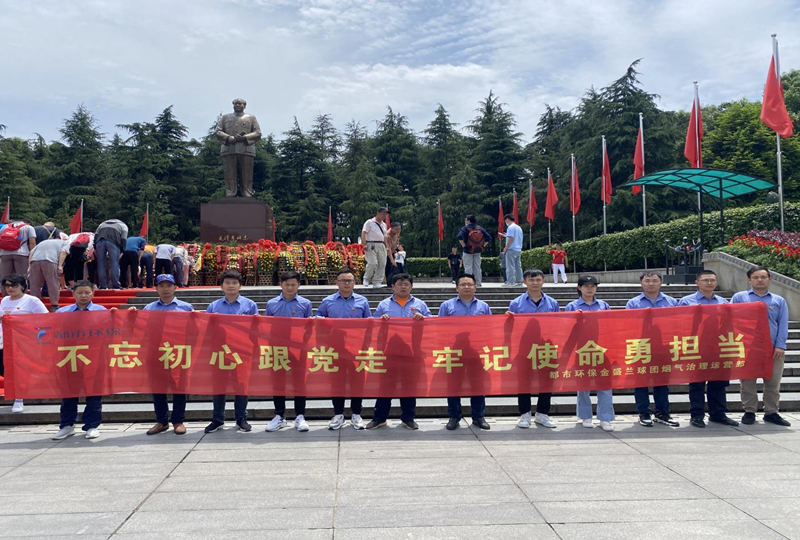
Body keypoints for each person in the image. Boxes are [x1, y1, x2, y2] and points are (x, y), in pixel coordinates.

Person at [367, 273, 431, 429]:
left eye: (406, 284)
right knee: (385, 386)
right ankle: (379, 418)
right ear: (392, 287)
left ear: (411, 287)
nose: (403, 287)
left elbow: (431, 322)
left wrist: (422, 318)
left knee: (409, 385)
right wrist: (381, 319)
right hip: (389, 351)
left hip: (412, 351)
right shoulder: (384, 304)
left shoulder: (420, 304)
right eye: (400, 284)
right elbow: (374, 323)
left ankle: (408, 418)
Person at [133, 274, 195, 435]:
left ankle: (178, 421)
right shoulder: (149, 308)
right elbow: (141, 329)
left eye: (168, 285)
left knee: (179, 388)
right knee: (158, 388)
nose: (165, 289)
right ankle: (162, 421)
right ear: (156, 289)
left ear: (175, 287)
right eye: (161, 286)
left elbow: (194, 330)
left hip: (178, 352)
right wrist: (131, 316)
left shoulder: (186, 308)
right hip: (156, 353)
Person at [678, 270, 739, 428]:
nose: (709, 283)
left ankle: (718, 414)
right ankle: (697, 415)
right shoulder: (686, 301)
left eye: (712, 280)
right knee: (697, 384)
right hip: (696, 348)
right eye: (705, 280)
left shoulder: (724, 303)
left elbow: (730, 324)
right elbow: (680, 325)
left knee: (719, 382)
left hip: (719, 347)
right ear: (697, 282)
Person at [732, 266, 790, 426]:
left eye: (763, 277)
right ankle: (749, 411)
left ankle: (771, 412)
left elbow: (783, 324)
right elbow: (732, 320)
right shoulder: (739, 297)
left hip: (773, 349)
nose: (760, 280)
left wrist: (780, 345)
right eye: (756, 277)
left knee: (773, 382)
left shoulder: (779, 300)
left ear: (770, 279)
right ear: (749, 280)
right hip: (748, 348)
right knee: (747, 382)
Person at [316, 268, 372, 430]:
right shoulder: (328, 301)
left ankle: (356, 414)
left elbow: (369, 323)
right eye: (343, 280)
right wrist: (319, 319)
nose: (346, 283)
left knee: (357, 382)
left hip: (357, 349)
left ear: (354, 283)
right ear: (337, 283)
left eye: (350, 280)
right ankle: (338, 414)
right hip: (335, 348)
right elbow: (318, 318)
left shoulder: (362, 301)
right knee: (336, 382)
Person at [205, 270, 259, 433]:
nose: (231, 286)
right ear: (221, 286)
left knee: (241, 385)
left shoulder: (249, 305)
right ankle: (217, 419)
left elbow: (256, 329)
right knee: (218, 386)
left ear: (240, 286)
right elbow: (205, 329)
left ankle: (241, 418)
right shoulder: (213, 306)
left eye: (234, 283)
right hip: (219, 352)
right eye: (227, 283)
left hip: (241, 352)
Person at [52, 281, 106, 440]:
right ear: (73, 294)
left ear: (93, 293)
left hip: (93, 358)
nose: (83, 296)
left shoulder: (101, 311)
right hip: (70, 357)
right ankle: (67, 425)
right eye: (80, 292)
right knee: (68, 393)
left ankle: (92, 425)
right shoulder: (62, 312)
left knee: (94, 393)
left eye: (87, 292)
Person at [507, 268, 559, 429]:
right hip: (524, 348)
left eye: (538, 280)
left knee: (546, 381)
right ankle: (525, 414)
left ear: (543, 281)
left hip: (546, 347)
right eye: (531, 280)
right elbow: (510, 328)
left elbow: (558, 325)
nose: (535, 283)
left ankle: (542, 414)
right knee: (524, 381)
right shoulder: (516, 303)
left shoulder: (552, 303)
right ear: (524, 282)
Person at [438, 274, 491, 431]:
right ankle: (454, 417)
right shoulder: (447, 306)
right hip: (454, 351)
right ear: (457, 288)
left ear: (475, 287)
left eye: (470, 284)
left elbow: (490, 327)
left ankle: (478, 416)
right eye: (463, 284)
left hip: (476, 352)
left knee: (478, 385)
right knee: (454, 385)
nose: (466, 287)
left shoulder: (483, 307)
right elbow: (440, 328)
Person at [626, 272, 679, 427]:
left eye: (654, 281)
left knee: (662, 382)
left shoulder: (671, 302)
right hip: (641, 346)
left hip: (664, 346)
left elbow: (678, 323)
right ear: (641, 283)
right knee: (641, 381)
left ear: (660, 283)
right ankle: (644, 413)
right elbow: (628, 324)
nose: (651, 284)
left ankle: (662, 413)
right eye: (647, 281)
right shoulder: (633, 303)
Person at [264, 271, 313, 432]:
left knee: (299, 383)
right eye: (287, 284)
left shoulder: (305, 304)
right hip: (278, 348)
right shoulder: (271, 304)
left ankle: (300, 416)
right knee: (278, 383)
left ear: (299, 285)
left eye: (293, 284)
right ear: (281, 285)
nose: (290, 288)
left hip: (299, 349)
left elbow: (309, 328)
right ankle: (279, 415)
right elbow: (266, 326)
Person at [564, 276, 615, 432]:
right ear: (579, 288)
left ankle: (605, 418)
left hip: (602, 348)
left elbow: (611, 325)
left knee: (605, 384)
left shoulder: (603, 305)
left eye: (592, 286)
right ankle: (585, 416)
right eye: (586, 286)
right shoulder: (572, 306)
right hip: (582, 349)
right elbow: (566, 328)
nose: (590, 289)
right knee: (583, 384)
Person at [0, 274, 48, 413]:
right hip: (5, 340)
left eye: (14, 285)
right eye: (7, 285)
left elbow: (45, 318)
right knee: (5, 369)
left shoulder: (31, 300)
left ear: (22, 286)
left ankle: (19, 399)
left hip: (24, 341)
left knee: (18, 370)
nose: (10, 288)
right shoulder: (4, 301)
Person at [215, 97, 262, 197]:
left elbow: (257, 133)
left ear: (244, 106)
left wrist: (245, 137)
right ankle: (230, 191)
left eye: (240, 104)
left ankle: (247, 192)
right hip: (229, 148)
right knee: (229, 172)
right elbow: (218, 131)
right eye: (235, 104)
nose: (237, 105)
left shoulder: (251, 118)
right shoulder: (225, 117)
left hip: (246, 149)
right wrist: (228, 137)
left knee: (247, 173)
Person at [28, 237, 68, 311]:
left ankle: (35, 304)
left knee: (35, 284)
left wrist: (30, 266)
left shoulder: (43, 242)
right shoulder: (64, 243)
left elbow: (31, 253)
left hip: (34, 261)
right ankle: (54, 305)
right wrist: (60, 266)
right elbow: (63, 252)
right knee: (53, 283)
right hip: (50, 261)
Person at [456, 215, 491, 287]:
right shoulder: (479, 228)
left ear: (468, 221)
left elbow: (459, 236)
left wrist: (464, 246)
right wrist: (483, 246)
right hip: (478, 251)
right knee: (477, 267)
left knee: (468, 267)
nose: (465, 221)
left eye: (466, 220)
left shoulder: (465, 228)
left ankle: (469, 283)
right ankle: (478, 283)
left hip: (468, 251)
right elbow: (488, 237)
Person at [94, 219, 128, 290]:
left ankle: (102, 285)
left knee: (101, 264)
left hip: (99, 242)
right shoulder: (123, 226)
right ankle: (115, 285)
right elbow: (124, 238)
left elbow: (96, 235)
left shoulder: (102, 224)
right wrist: (122, 250)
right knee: (114, 263)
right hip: (113, 242)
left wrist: (95, 247)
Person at [361, 207, 388, 288]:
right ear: (378, 213)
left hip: (381, 244)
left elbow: (384, 236)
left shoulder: (384, 225)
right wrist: (364, 244)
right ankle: (366, 278)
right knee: (372, 263)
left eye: (385, 214)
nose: (384, 216)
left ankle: (377, 281)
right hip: (371, 244)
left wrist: (386, 246)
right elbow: (364, 233)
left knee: (382, 264)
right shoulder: (370, 222)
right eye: (383, 214)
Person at [502, 214, 523, 286]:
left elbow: (511, 238)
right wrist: (506, 235)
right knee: (518, 266)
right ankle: (519, 281)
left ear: (507, 219)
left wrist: (506, 247)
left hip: (511, 249)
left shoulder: (510, 227)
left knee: (510, 266)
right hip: (518, 248)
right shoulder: (518, 227)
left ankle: (510, 282)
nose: (505, 222)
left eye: (505, 220)